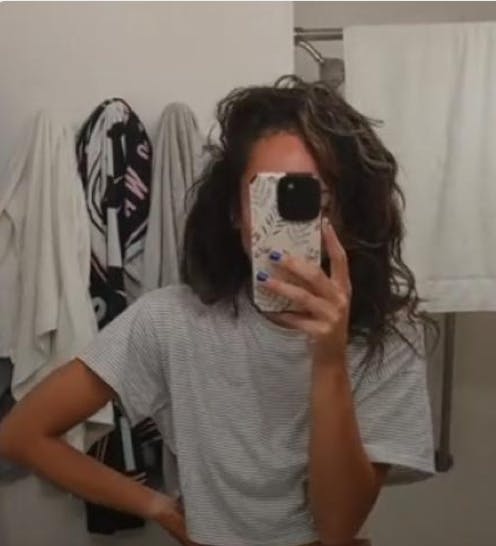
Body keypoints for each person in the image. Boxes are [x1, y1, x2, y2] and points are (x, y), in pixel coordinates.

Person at [0, 76, 434, 546]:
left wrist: (329, 361)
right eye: (268, 197)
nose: (289, 222)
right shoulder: (171, 321)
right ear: (234, 212)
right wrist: (156, 506)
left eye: (315, 201)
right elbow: (21, 434)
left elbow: (337, 527)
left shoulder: (387, 334)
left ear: (347, 213)